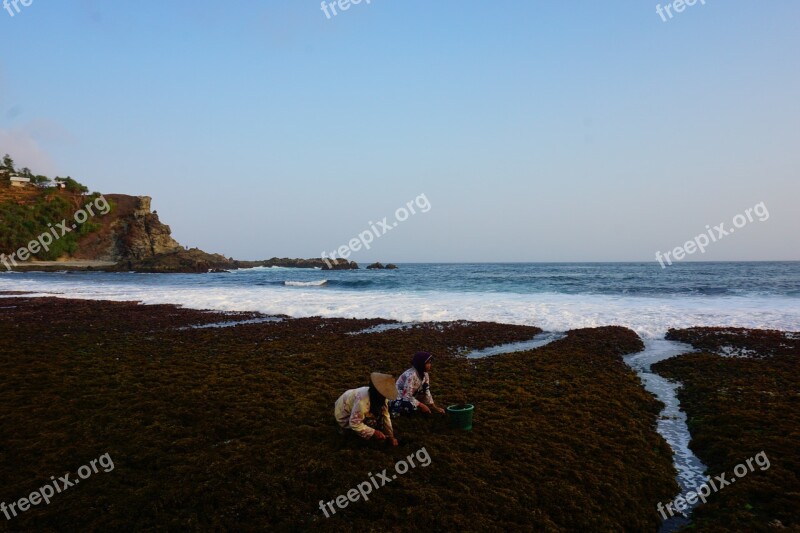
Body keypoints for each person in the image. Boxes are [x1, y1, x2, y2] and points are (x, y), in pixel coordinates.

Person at [335, 372, 399, 446]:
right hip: (343, 413)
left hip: (355, 408)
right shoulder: (362, 402)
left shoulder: (381, 398)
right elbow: (354, 423)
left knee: (375, 421)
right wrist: (374, 432)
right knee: (359, 429)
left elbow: (386, 416)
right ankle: (344, 429)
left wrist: (391, 436)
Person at [390, 351, 446, 417]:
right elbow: (406, 396)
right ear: (421, 364)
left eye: (430, 363)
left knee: (422, 394)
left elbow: (427, 390)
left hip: (411, 394)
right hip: (397, 395)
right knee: (410, 408)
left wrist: (434, 407)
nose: (430, 365)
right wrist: (422, 406)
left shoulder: (425, 374)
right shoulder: (411, 376)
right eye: (427, 363)